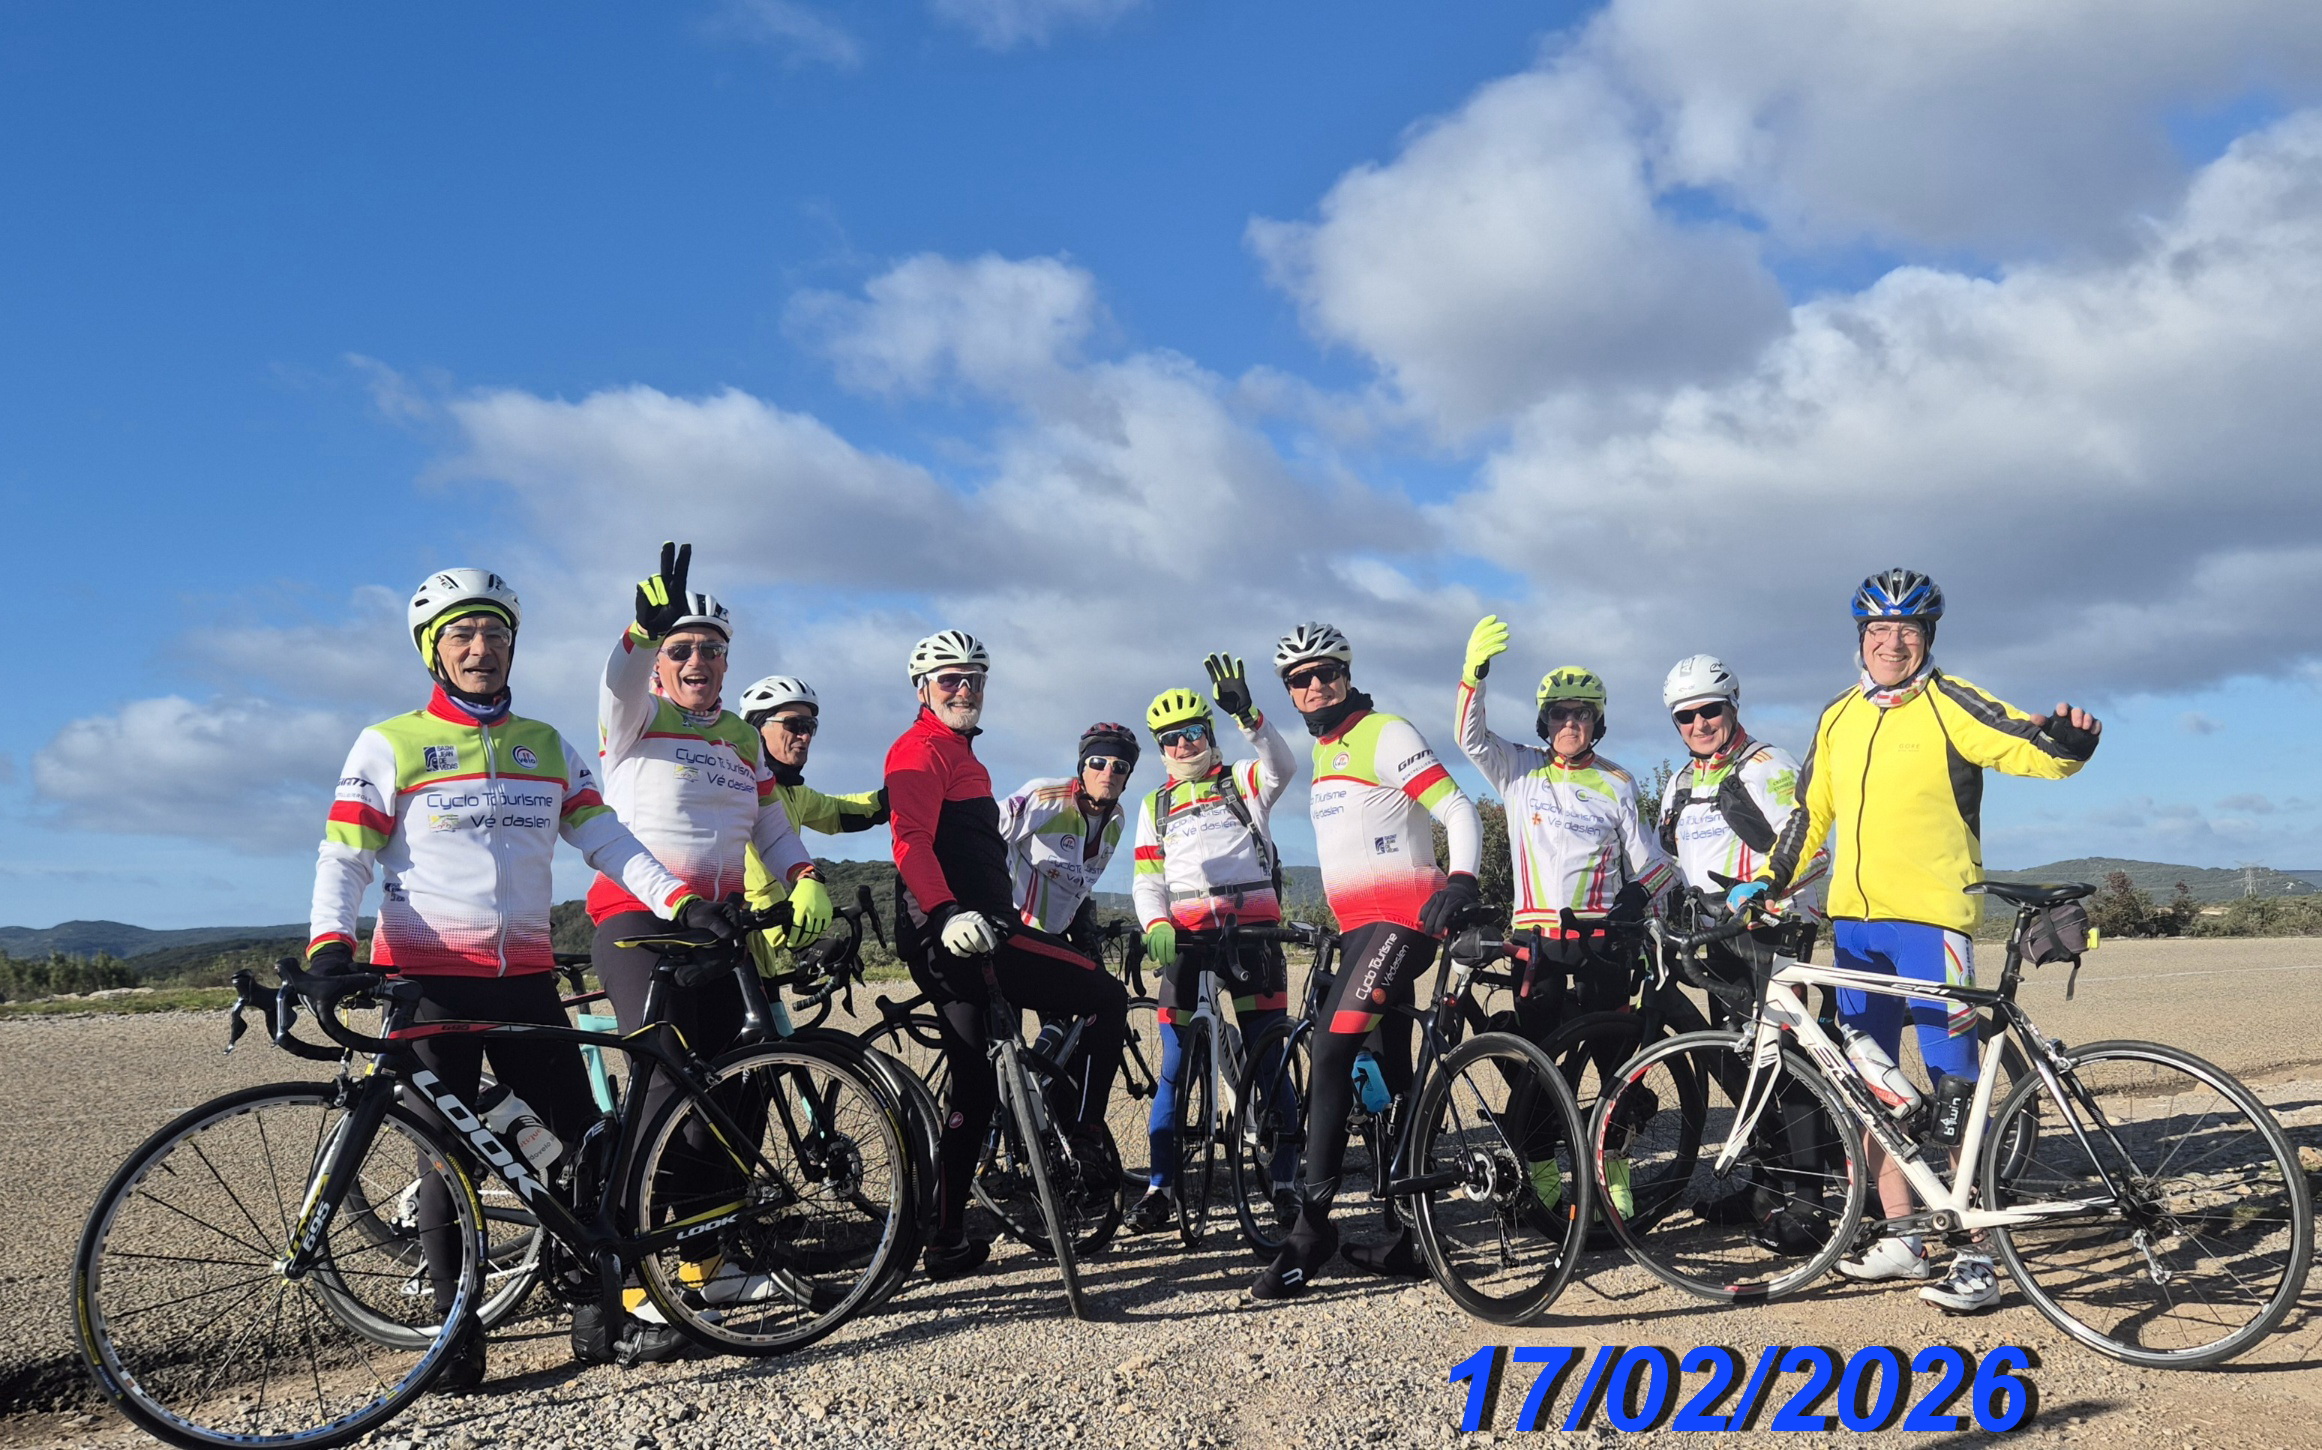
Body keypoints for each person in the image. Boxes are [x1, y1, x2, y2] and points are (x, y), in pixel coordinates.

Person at [308, 568, 722, 1388]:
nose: (480, 648)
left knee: (582, 1144)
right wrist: (329, 947)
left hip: (526, 977)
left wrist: (680, 901)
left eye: (495, 633)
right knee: (445, 1161)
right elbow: (345, 853)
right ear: (433, 650)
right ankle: (454, 1334)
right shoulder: (388, 743)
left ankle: (601, 1316)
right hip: (428, 980)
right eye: (461, 635)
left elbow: (607, 840)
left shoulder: (546, 744)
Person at [1738, 568, 2101, 1313]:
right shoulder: (1838, 716)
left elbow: (2027, 744)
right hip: (1856, 930)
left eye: (1906, 630)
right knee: (1869, 1087)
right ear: (1861, 639)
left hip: (1932, 924)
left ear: (1926, 638)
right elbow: (1810, 813)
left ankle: (1979, 1256)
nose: (1891, 643)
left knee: (1954, 1086)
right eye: (1878, 630)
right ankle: (1904, 1235)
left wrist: (2068, 746)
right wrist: (1771, 879)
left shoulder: (1951, 702)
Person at [589, 544, 835, 1345]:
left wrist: (803, 874)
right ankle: (633, 1277)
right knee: (665, 1085)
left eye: (712, 650)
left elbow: (770, 824)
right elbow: (617, 683)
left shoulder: (739, 737)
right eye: (682, 649)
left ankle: (705, 1259)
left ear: (729, 662)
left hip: (719, 928)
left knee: (736, 1090)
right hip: (638, 921)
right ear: (663, 663)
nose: (697, 661)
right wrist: (638, 635)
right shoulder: (636, 718)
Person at [883, 629, 1132, 1278]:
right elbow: (909, 841)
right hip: (971, 932)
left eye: (975, 679)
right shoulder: (919, 750)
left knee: (972, 1090)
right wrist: (945, 911)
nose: (964, 689)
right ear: (923, 689)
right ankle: (1085, 1135)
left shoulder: (962, 754)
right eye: (950, 679)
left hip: (967, 935)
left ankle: (945, 1242)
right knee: (1107, 998)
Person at [1251, 622, 1484, 1300]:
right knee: (1390, 1072)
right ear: (1290, 691)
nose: (1315, 685)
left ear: (1347, 675)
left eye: (1326, 672)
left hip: (1406, 920)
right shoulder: (1325, 752)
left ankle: (1311, 1232)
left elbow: (1457, 807)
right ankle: (1412, 1231)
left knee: (1330, 1050)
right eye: (1300, 679)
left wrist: (1462, 881)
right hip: (1357, 930)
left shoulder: (1385, 732)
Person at [1455, 620, 1675, 1216]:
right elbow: (1468, 737)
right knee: (1536, 1063)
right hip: (1538, 941)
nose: (1570, 723)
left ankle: (1614, 1169)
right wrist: (1474, 676)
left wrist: (1637, 897)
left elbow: (1658, 864)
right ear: (1544, 721)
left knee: (1616, 1064)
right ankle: (1543, 1175)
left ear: (1597, 722)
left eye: (1582, 714)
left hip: (1603, 939)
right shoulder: (1518, 769)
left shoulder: (1617, 782)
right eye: (1559, 714)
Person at [1655, 652, 1833, 1251]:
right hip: (1714, 937)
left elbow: (1812, 847)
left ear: (1732, 706)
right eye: (1685, 717)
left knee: (1783, 1065)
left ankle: (1810, 1202)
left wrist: (1766, 890)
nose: (1699, 724)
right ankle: (1765, 1182)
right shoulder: (1682, 781)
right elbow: (1671, 861)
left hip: (1771, 930)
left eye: (1709, 710)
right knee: (1740, 1063)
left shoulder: (1766, 765)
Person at [1125, 658, 1297, 1234]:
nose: (1184, 746)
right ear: (1160, 747)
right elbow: (1147, 880)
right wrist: (1155, 922)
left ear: (1209, 733)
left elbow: (1284, 767)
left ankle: (1287, 1183)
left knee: (1268, 1058)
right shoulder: (1156, 805)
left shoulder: (1241, 781)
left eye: (1194, 733)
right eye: (1171, 739)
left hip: (1253, 938)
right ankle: (1160, 1187)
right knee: (1175, 1067)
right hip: (1189, 942)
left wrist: (1250, 716)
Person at [735, 673, 889, 971]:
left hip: (759, 951)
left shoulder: (792, 790)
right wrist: (799, 942)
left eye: (810, 727)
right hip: (737, 942)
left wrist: (892, 798)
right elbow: (755, 879)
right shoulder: (742, 786)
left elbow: (837, 811)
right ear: (757, 729)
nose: (805, 736)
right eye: (795, 725)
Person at [998, 721, 1137, 950]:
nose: (1108, 773)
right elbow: (984, 831)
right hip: (1014, 927)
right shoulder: (1044, 797)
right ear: (1082, 769)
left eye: (1120, 767)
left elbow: (1084, 877)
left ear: (1126, 778)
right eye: (1098, 763)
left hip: (1059, 933)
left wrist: (1083, 918)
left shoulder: (1117, 820)